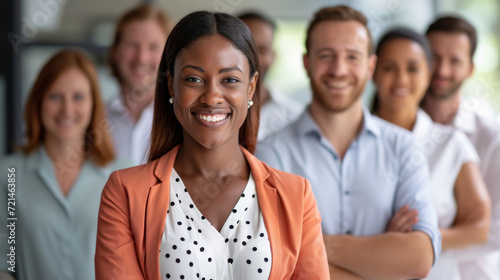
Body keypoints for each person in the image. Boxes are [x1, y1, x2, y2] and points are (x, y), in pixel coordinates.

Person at [95, 11, 329, 280]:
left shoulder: (296, 196)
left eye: (229, 80)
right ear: (171, 85)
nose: (211, 97)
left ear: (251, 87)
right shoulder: (125, 193)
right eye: (194, 79)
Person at [256, 6, 441, 279]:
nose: (339, 70)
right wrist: (382, 255)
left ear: (370, 66)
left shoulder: (403, 148)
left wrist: (308, 242)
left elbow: (419, 258)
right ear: (307, 63)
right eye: (326, 56)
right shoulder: (271, 154)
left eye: (352, 57)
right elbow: (276, 262)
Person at [372, 27, 491, 280]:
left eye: (413, 68)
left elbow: (480, 227)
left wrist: (419, 240)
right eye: (389, 67)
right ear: (372, 71)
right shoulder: (350, 142)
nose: (401, 79)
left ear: (427, 74)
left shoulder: (451, 143)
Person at [0, 50, 127, 280]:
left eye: (78, 97)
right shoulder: (9, 174)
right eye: (55, 96)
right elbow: (4, 261)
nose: (67, 110)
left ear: (93, 104)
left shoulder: (124, 175)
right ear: (38, 101)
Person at [422, 16, 500, 279]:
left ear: (470, 68)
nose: (442, 70)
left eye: (454, 61)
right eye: (434, 57)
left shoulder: (491, 138)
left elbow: (496, 231)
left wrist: (417, 244)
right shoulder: (399, 128)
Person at [106, 4, 170, 165]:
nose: (141, 58)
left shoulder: (182, 119)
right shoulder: (91, 119)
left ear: (169, 54)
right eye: (132, 45)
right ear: (115, 52)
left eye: (153, 47)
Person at [238, 11, 303, 141]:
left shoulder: (294, 116)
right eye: (245, 48)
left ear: (272, 57)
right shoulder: (210, 109)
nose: (253, 58)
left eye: (262, 50)